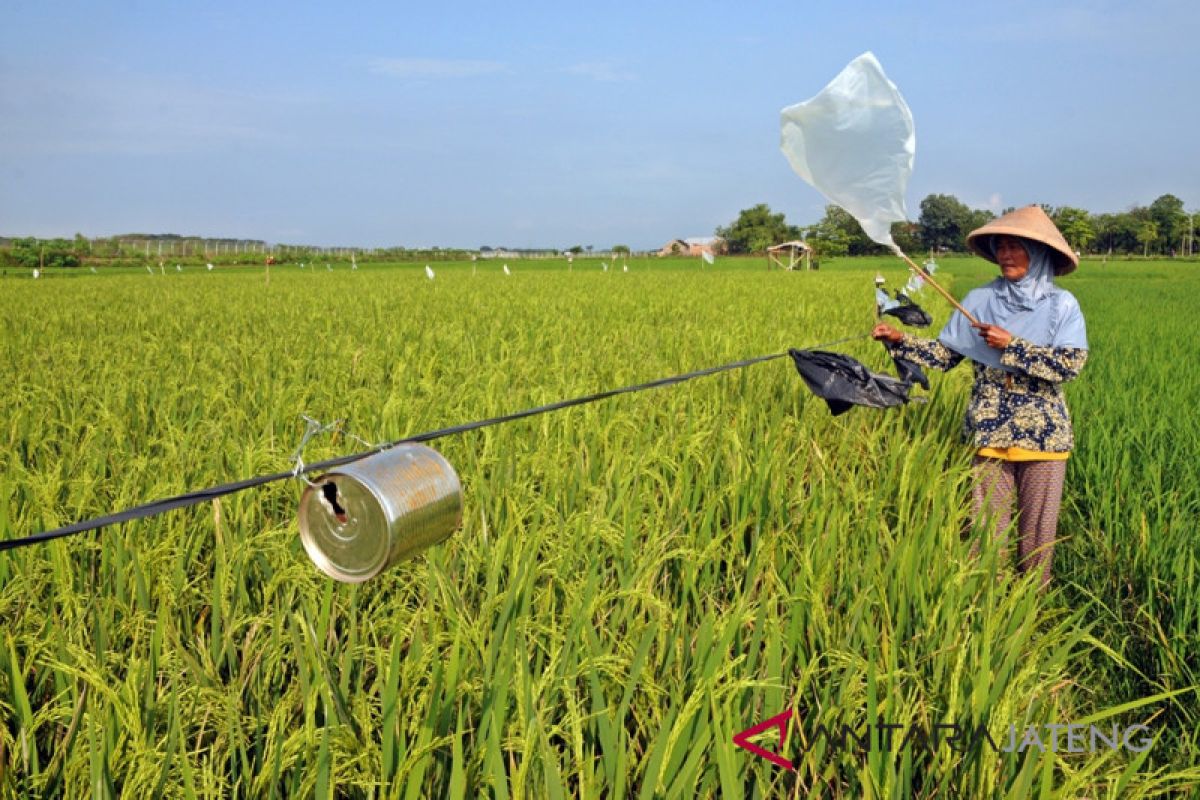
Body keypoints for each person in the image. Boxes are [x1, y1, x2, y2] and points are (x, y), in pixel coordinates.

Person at [871, 206, 1088, 588]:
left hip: (1045, 436)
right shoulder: (978, 299)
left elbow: (1069, 366)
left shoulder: (1062, 305)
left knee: (1037, 533)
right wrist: (900, 340)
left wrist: (1012, 346)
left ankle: (1031, 610)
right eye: (1000, 247)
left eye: (1014, 246)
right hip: (989, 429)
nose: (1005, 254)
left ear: (1037, 253)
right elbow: (945, 356)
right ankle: (988, 607)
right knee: (988, 529)